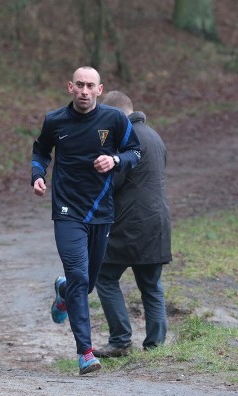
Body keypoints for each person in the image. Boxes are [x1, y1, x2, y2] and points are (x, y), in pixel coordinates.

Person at [31, 67, 141, 375]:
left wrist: (116, 160)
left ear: (99, 89)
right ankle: (85, 352)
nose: (83, 90)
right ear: (70, 87)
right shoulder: (55, 121)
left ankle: (63, 290)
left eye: (89, 85)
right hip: (67, 211)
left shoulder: (114, 120)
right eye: (78, 84)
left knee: (87, 282)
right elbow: (41, 150)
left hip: (101, 211)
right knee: (80, 277)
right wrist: (37, 175)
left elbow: (135, 152)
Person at [93, 91, 171, 358]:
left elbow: (113, 182)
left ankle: (120, 340)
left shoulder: (126, 140)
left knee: (104, 276)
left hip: (128, 223)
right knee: (151, 285)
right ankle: (156, 346)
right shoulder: (155, 136)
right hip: (158, 222)